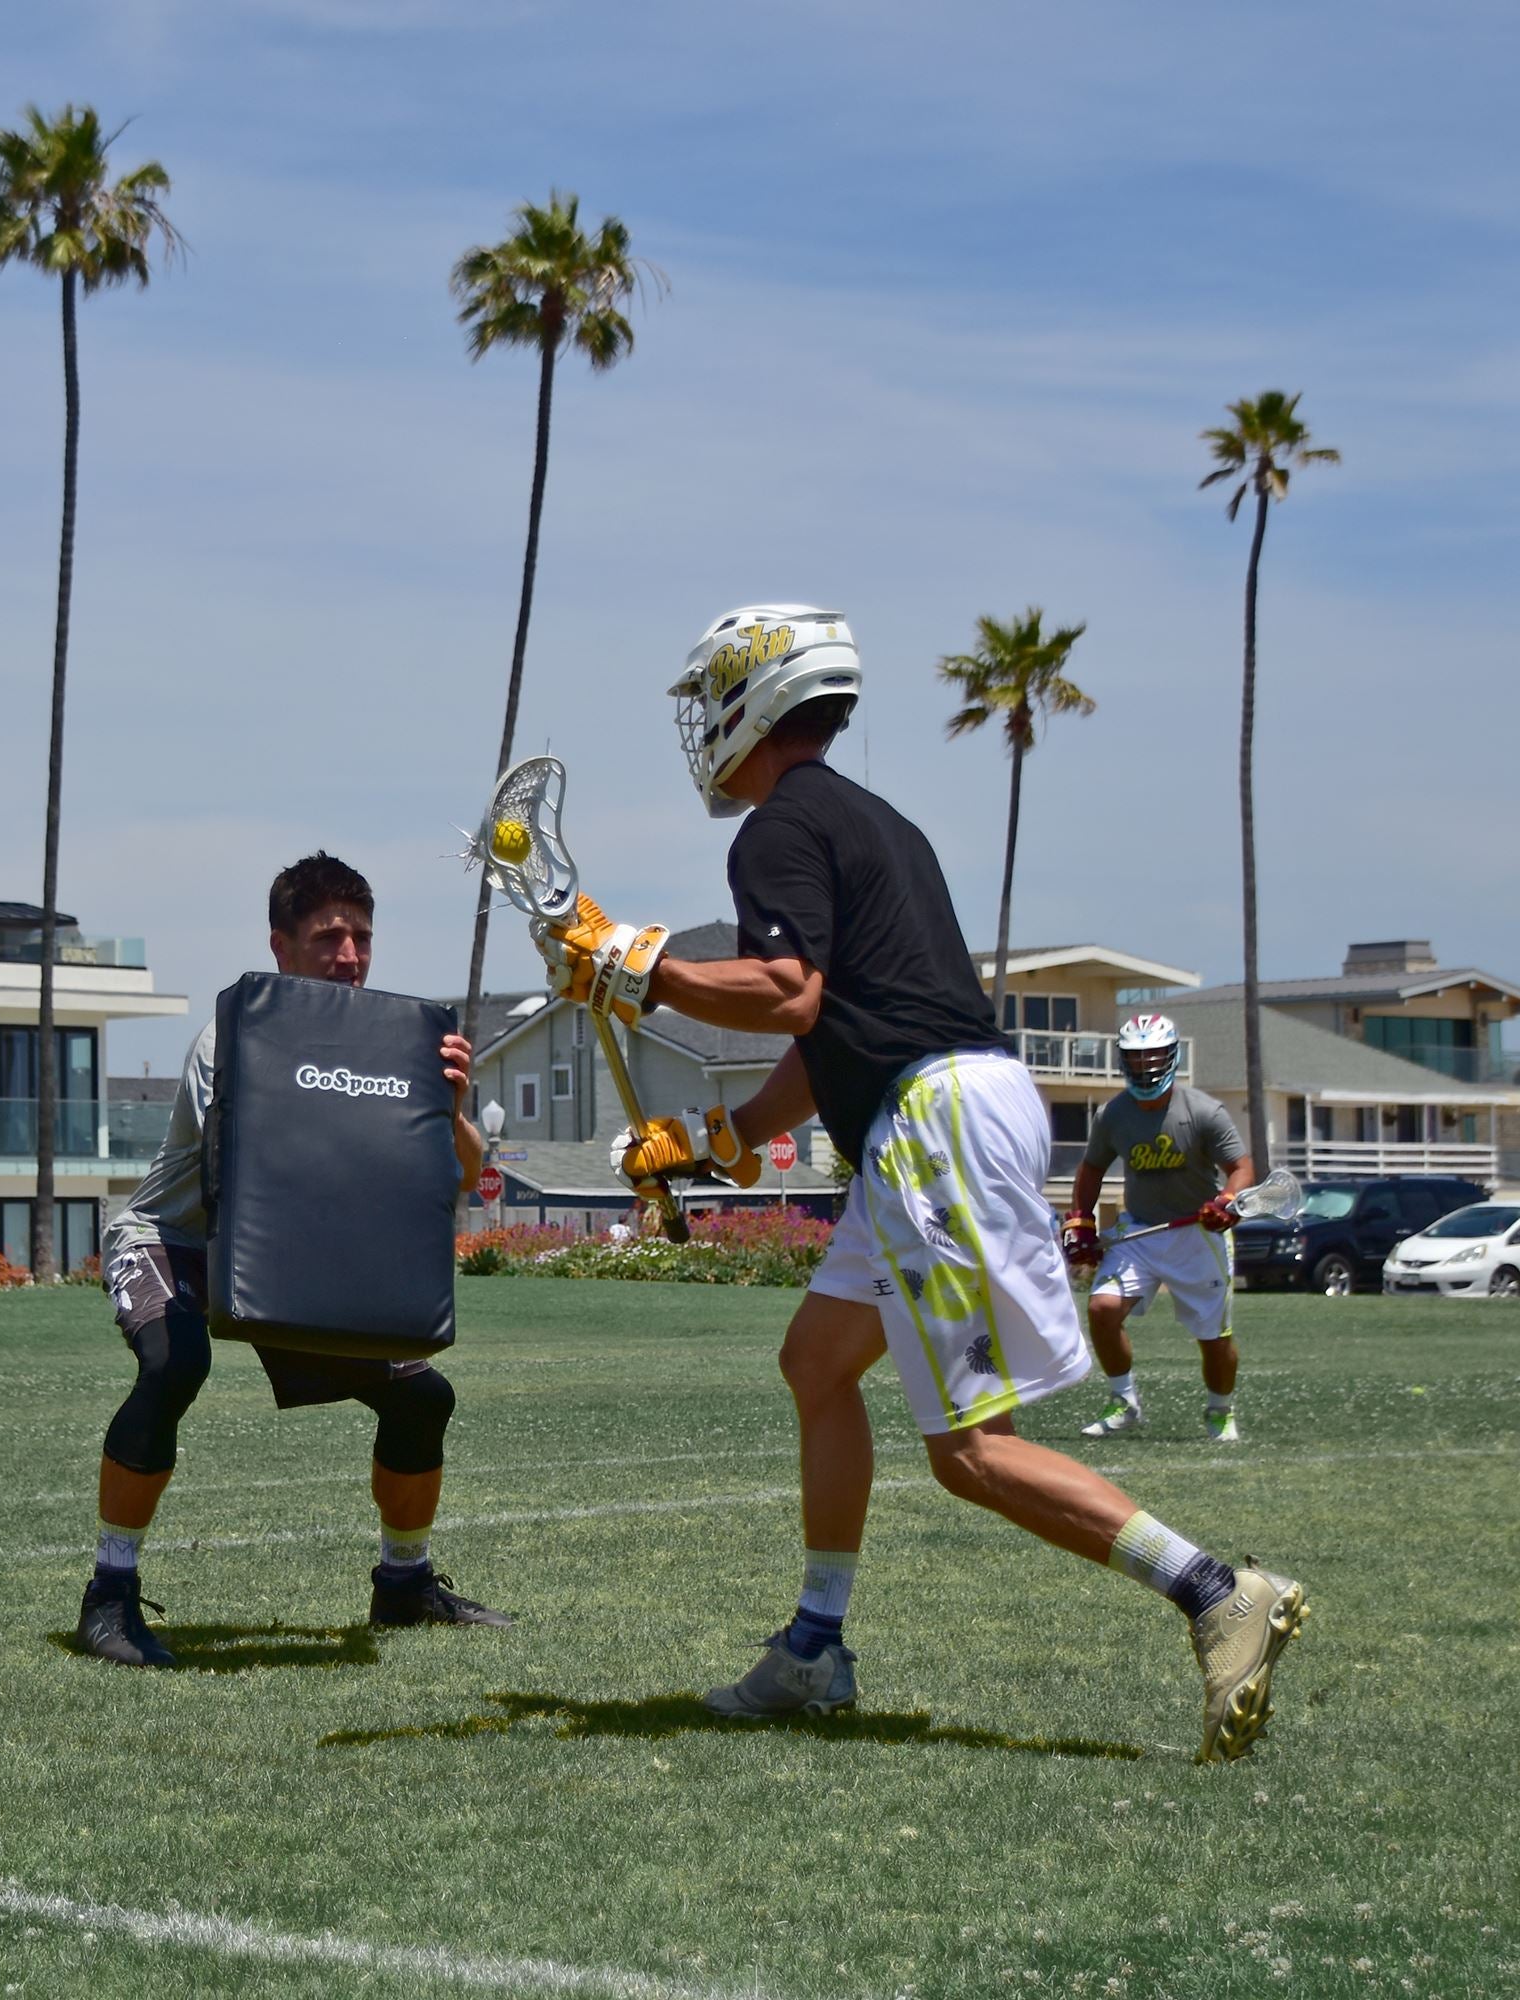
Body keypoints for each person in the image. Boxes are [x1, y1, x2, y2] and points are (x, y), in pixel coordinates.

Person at [539, 604, 1307, 1762]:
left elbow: (786, 992)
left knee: (969, 1451)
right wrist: (716, 1134)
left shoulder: (775, 830)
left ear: (755, 696)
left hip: (930, 1130)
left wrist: (636, 969)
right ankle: (814, 1645)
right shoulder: (875, 822)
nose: (699, 726)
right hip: (938, 1110)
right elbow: (836, 1038)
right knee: (814, 1360)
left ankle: (1212, 1588)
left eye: (709, 699)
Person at [77, 852, 512, 1667]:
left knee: (422, 1398)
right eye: (328, 937)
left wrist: (446, 1105)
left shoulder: (396, 1046)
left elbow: (462, 1173)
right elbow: (256, 1167)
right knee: (174, 1363)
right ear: (280, 945)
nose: (349, 955)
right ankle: (108, 1594)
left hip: (299, 1244)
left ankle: (404, 1583)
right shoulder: (234, 1035)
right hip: (177, 1240)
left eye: (362, 937)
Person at [1062, 1016, 1253, 1442]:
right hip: (1140, 1232)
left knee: (1213, 1337)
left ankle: (1220, 1410)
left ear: (1171, 1056)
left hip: (1197, 1233)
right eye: (1135, 1056)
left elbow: (1241, 1168)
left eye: (1153, 1055)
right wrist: (1081, 1219)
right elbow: (1091, 1169)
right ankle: (1123, 1401)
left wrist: (1226, 1201)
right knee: (1101, 1309)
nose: (1145, 1064)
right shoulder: (1114, 1114)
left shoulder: (1204, 1111)